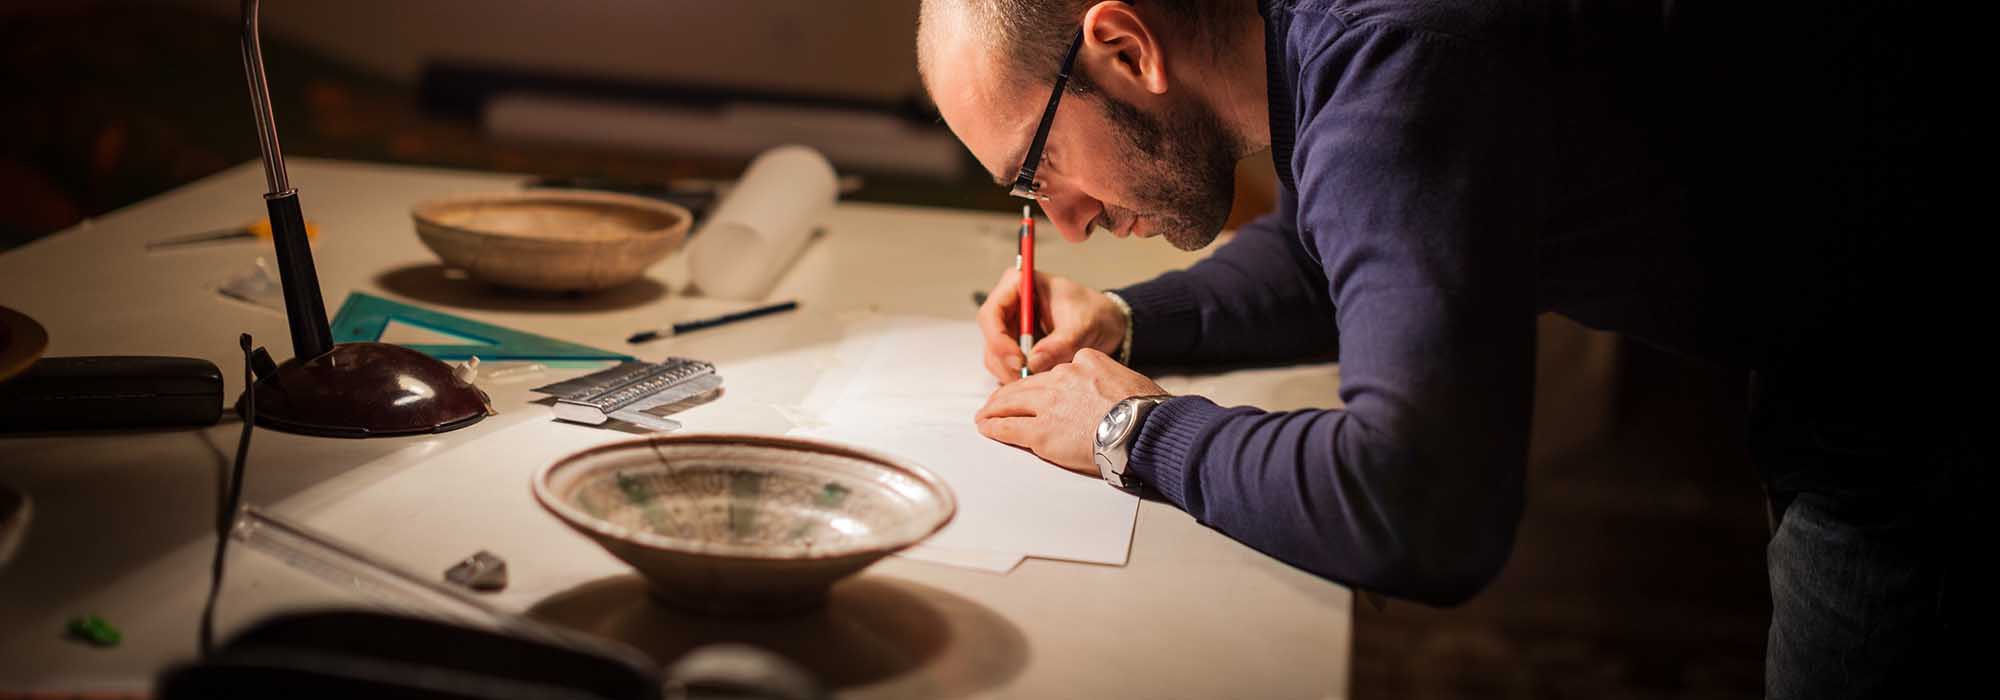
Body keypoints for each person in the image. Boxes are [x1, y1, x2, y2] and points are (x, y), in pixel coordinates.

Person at [916, 0, 1982, 696]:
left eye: (1035, 166)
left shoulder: (1397, 62)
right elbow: (1366, 232)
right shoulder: (1333, 43)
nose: (1063, 222)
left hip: (1917, 376)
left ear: (1125, 46)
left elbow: (1418, 505)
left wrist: (1127, 432)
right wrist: (1130, 321)